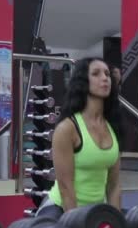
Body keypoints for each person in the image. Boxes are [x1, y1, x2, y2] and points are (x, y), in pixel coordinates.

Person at [37, 58, 122, 218]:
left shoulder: (112, 127)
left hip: (96, 211)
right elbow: (65, 186)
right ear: (83, 81)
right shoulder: (68, 128)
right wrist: (77, 226)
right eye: (96, 74)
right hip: (62, 209)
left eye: (107, 74)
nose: (105, 78)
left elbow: (114, 185)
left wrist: (116, 223)